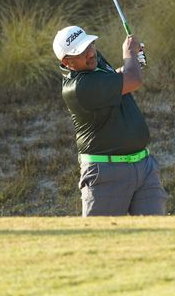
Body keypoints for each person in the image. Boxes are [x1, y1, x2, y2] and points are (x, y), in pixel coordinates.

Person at [53, 25, 167, 217]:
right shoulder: (79, 88)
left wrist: (134, 64)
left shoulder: (93, 62)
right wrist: (130, 53)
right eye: (81, 52)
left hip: (144, 167)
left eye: (90, 45)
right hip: (105, 173)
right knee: (102, 234)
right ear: (67, 62)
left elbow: (114, 78)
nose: (91, 53)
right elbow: (132, 80)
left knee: (156, 232)